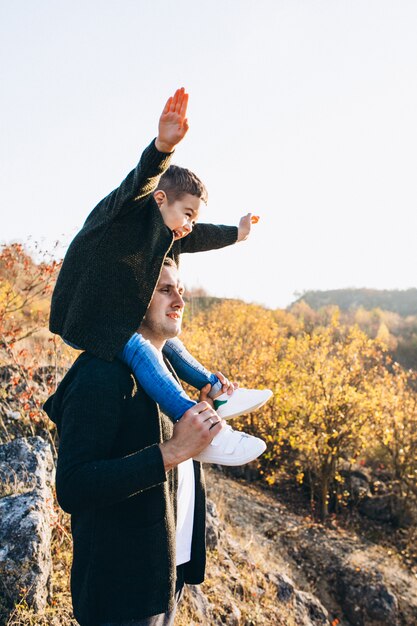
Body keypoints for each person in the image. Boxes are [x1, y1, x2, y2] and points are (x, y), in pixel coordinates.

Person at [49, 87, 271, 465]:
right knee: (139, 347)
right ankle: (198, 422)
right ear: (160, 200)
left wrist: (237, 233)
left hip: (116, 315)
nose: (189, 225)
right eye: (187, 213)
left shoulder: (168, 235)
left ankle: (216, 391)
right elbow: (140, 180)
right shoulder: (125, 212)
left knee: (167, 341)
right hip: (87, 315)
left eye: (194, 218)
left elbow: (201, 235)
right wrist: (162, 147)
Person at [44, 259, 262, 625]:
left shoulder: (167, 373)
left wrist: (204, 416)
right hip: (120, 591)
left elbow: (173, 442)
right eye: (165, 290)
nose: (179, 300)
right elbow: (74, 486)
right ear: (132, 298)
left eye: (181, 290)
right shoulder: (100, 375)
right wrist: (172, 452)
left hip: (164, 573)